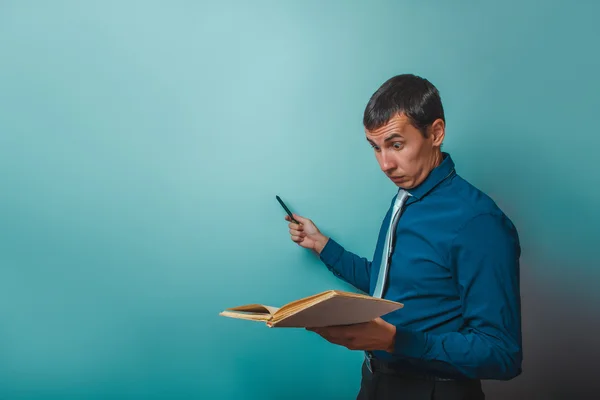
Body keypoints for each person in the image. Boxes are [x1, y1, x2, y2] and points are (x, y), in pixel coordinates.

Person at [284, 74, 522, 400]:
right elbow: (392, 284)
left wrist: (395, 340)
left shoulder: (478, 222)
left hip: (433, 390)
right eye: (376, 148)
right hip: (376, 383)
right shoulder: (405, 196)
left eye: (396, 145)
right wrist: (323, 246)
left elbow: (501, 353)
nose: (385, 164)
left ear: (435, 133)